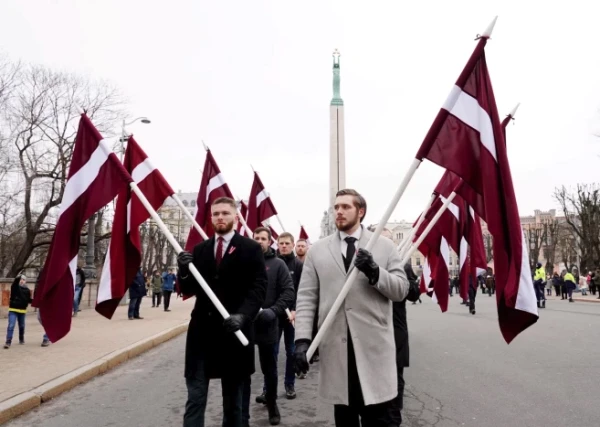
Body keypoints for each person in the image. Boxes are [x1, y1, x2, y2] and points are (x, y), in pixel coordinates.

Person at [294, 189, 409, 427]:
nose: (339, 211)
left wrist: (375, 272)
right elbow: (306, 298)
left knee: (379, 419)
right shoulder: (318, 250)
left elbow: (400, 290)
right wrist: (302, 340)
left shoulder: (384, 246)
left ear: (361, 211)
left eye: (346, 207)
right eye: (336, 207)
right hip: (337, 351)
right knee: (344, 419)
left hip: (373, 350)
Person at [177, 197, 267, 427]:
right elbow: (188, 289)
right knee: (195, 398)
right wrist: (184, 270)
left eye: (225, 213)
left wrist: (243, 315)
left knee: (234, 403)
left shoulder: (251, 248)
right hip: (201, 336)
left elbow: (258, 289)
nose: (220, 217)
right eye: (216, 213)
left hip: (234, 334)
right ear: (211, 218)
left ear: (235, 218)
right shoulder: (200, 249)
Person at [243, 227, 295, 426]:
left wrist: (273, 310)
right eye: (256, 238)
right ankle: (242, 410)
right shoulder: (243, 263)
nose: (259, 241)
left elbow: (289, 292)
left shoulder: (278, 264)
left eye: (263, 238)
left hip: (268, 324)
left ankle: (272, 404)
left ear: (269, 241)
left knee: (269, 369)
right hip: (245, 325)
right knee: (243, 370)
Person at [266, 231, 304, 400]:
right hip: (275, 314)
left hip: (291, 316)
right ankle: (268, 388)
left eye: (287, 243)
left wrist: (296, 309)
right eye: (281, 243)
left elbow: (302, 290)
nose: (284, 246)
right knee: (271, 352)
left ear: (292, 244)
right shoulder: (272, 263)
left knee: (291, 351)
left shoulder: (298, 265)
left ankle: (290, 384)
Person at [387, 263, 421, 426]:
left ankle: (394, 419)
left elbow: (414, 295)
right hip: (368, 331)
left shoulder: (400, 263)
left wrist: (408, 277)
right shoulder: (360, 259)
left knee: (395, 379)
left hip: (395, 330)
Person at [4, 274, 32, 349]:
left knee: (22, 326)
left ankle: (21, 338)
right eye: (21, 279)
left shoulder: (27, 290)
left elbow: (29, 300)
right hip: (13, 310)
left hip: (22, 311)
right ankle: (8, 341)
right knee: (11, 325)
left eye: (23, 280)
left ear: (25, 281)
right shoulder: (15, 288)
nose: (22, 281)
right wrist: (18, 277)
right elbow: (15, 283)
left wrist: (37, 302)